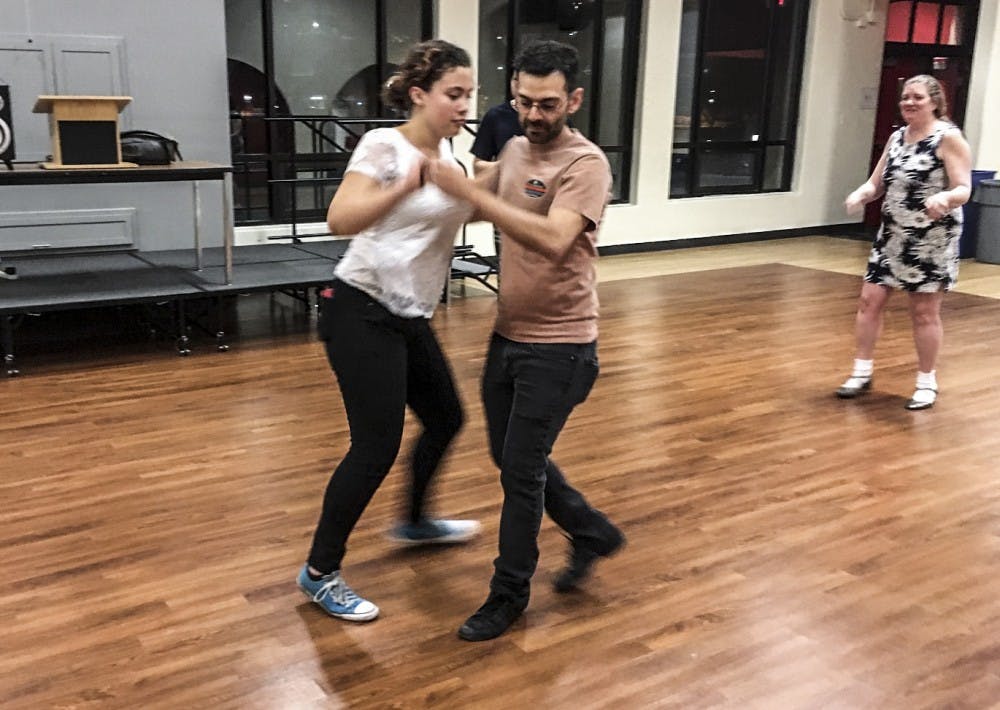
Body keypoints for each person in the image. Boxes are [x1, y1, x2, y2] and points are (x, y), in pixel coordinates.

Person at [426, 39, 624, 642]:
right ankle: (591, 531)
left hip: (562, 347)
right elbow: (471, 204)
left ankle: (508, 594)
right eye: (523, 102)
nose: (534, 116)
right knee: (511, 457)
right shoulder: (511, 147)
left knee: (520, 470)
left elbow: (553, 239)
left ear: (574, 100)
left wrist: (474, 196)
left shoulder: (586, 165)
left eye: (547, 104)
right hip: (507, 336)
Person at [296, 39, 481, 623]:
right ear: (420, 95)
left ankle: (415, 522)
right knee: (374, 445)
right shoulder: (384, 145)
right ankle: (319, 572)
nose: (464, 105)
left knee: (447, 417)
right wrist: (406, 183)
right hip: (360, 306)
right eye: (454, 94)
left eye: (470, 94)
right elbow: (338, 220)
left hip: (409, 314)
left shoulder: (455, 162)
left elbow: (470, 208)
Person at [838, 74, 972, 411]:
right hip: (892, 236)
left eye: (917, 98)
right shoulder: (898, 137)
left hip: (930, 240)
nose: (909, 103)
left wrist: (944, 198)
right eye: (905, 98)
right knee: (869, 301)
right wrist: (861, 194)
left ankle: (927, 381)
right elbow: (876, 183)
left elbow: (964, 188)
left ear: (935, 102)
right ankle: (861, 371)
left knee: (924, 312)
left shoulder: (948, 139)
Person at [470, 79, 523, 261]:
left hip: (544, 205)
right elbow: (478, 165)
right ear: (513, 83)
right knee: (507, 268)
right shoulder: (496, 116)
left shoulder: (559, 121)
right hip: (506, 202)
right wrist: (508, 165)